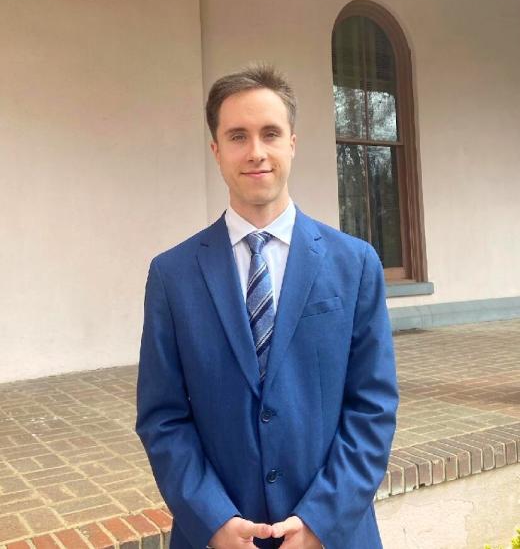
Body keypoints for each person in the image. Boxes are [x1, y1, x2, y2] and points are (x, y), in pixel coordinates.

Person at [136, 64, 399, 549]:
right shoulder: (172, 276)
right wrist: (211, 520)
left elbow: (372, 406)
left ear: (292, 143)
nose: (256, 152)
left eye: (270, 134)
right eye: (237, 136)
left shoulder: (355, 263)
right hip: (215, 536)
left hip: (334, 534)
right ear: (216, 150)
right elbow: (162, 417)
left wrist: (321, 520)